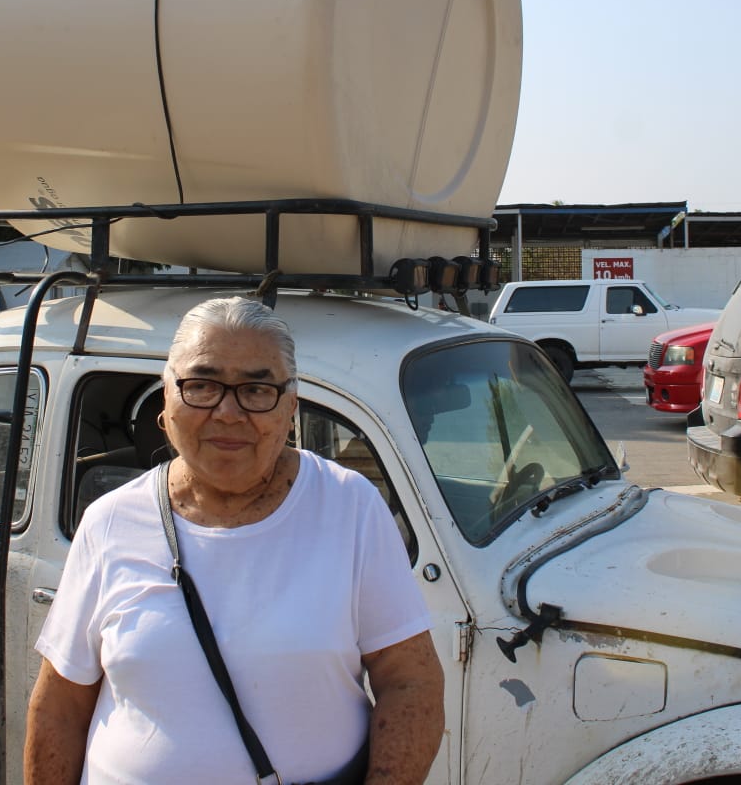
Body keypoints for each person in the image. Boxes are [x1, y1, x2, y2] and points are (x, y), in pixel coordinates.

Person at [25, 296, 443, 785]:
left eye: (256, 390)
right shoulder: (110, 522)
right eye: (201, 386)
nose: (227, 412)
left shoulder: (350, 508)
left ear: (290, 407)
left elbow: (410, 681)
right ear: (167, 399)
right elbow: (59, 705)